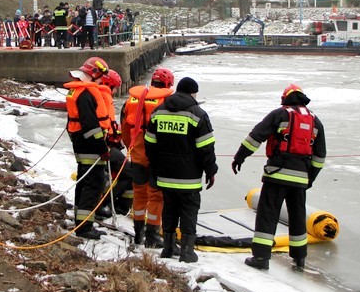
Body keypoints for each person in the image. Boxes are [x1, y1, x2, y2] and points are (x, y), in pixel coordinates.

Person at [231, 83, 326, 271]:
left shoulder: (280, 115)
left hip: (276, 175)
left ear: (285, 99)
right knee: (298, 217)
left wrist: (240, 157)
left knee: (267, 214)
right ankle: (299, 258)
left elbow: (255, 137)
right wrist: (309, 179)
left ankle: (261, 257)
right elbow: (320, 157)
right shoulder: (316, 122)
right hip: (300, 179)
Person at [144, 77, 217, 263]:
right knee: (189, 212)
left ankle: (168, 248)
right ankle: (187, 251)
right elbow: (206, 147)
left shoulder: (158, 112)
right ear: (193, 93)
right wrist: (211, 170)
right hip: (189, 177)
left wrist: (156, 167)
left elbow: (149, 144)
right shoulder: (197, 114)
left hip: (165, 175)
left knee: (169, 209)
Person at [120, 67, 175, 248]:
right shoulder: (167, 102)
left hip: (137, 156)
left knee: (139, 195)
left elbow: (125, 130)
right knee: (156, 197)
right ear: (168, 84)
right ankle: (152, 236)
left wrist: (130, 147)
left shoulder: (131, 101)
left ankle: (138, 234)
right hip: (157, 158)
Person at [64, 56, 115, 239]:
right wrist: (102, 148)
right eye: (100, 77)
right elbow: (91, 126)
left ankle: (80, 221)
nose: (101, 81)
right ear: (94, 74)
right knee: (94, 185)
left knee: (83, 182)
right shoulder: (86, 94)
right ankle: (84, 227)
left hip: (80, 143)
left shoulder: (78, 91)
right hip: (90, 147)